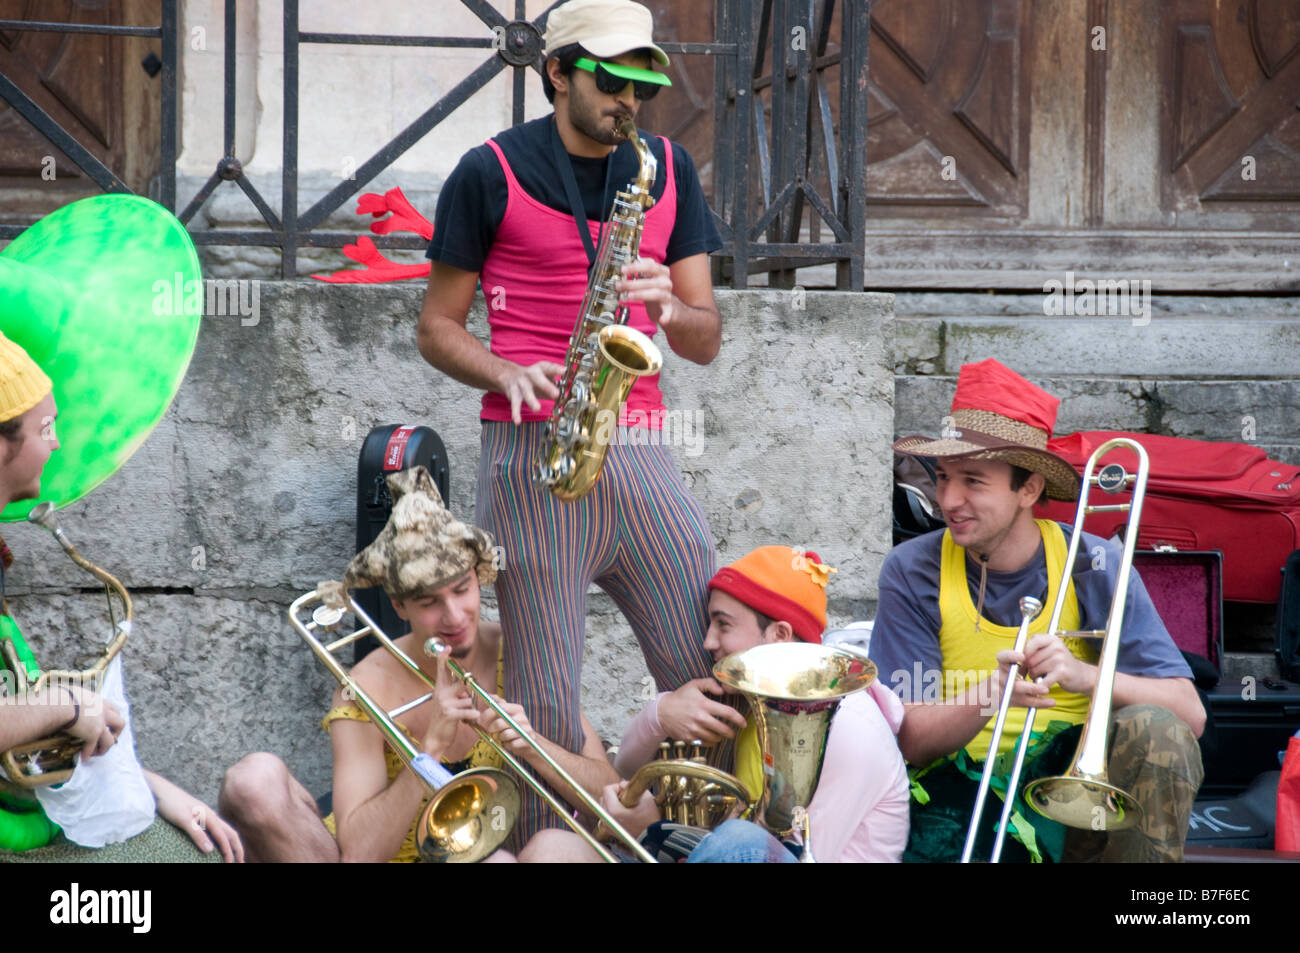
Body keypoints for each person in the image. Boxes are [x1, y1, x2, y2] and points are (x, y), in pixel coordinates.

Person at [417, 0, 723, 839]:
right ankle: (548, 851)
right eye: (611, 80)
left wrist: (671, 306)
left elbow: (706, 338)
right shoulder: (487, 172)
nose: (629, 100)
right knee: (546, 707)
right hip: (530, 456)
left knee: (711, 668)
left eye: (641, 84)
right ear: (556, 71)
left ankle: (722, 842)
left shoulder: (666, 168)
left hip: (642, 448)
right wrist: (506, 371)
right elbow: (435, 327)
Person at [869, 358, 1206, 862]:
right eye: (943, 478)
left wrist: (1084, 676)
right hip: (956, 796)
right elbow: (909, 738)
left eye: (974, 482)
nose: (949, 500)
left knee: (1157, 729)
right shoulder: (913, 569)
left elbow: (1190, 713)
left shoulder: (1095, 562)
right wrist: (990, 696)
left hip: (1077, 798)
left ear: (1028, 489)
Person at [219, 466, 620, 862]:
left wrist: (532, 745)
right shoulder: (362, 689)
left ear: (478, 580)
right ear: (399, 606)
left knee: (552, 850)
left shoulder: (518, 649)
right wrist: (429, 751)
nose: (454, 616)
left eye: (462, 590)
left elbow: (610, 789)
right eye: (429, 603)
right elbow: (358, 855)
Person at [0, 331, 242, 862]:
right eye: (46, 429)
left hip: (31, 815)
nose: (57, 444)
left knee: (190, 849)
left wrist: (153, 788)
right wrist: (66, 705)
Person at [534, 545, 911, 862]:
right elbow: (626, 772)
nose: (708, 642)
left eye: (723, 625)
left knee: (737, 838)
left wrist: (655, 833)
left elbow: (781, 852)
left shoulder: (847, 724)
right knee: (549, 849)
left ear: (779, 635)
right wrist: (660, 714)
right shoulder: (749, 703)